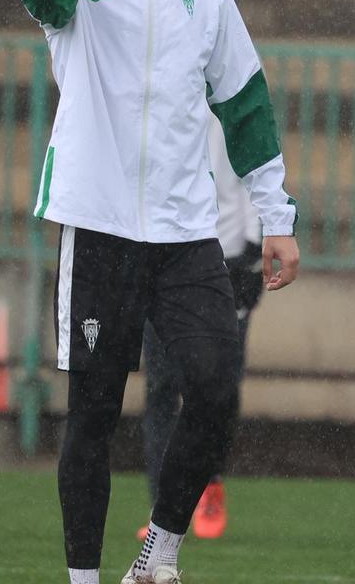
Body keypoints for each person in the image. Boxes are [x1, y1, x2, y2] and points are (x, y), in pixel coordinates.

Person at [15, 0, 300, 584]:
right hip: (100, 229)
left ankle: (159, 555)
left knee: (211, 386)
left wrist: (276, 216)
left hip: (185, 235)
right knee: (95, 414)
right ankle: (82, 578)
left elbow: (247, 108)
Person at [137, 117, 264, 542]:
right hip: (165, 254)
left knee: (216, 388)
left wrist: (253, 249)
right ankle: (162, 506)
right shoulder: (156, 98)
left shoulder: (232, 93)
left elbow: (253, 173)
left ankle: (209, 483)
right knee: (160, 385)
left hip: (225, 260)